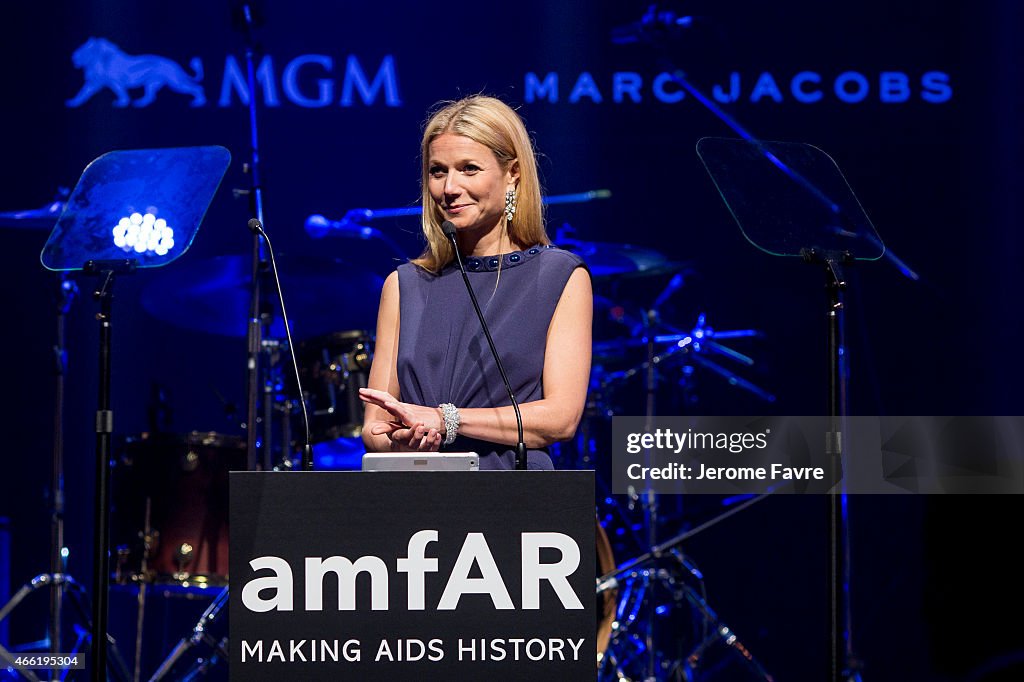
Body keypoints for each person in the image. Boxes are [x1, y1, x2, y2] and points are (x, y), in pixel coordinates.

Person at [359, 95, 593, 469]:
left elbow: (561, 419)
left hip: (513, 500)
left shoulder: (559, 276)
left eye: (469, 168)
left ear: (513, 173)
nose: (449, 187)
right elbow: (373, 427)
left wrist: (446, 420)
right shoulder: (404, 284)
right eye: (438, 171)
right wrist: (404, 439)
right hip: (417, 500)